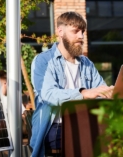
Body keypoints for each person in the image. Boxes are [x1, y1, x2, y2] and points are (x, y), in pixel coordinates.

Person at [30, 11, 114, 157]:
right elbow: (48, 94)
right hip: (55, 127)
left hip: (86, 123)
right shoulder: (43, 61)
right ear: (60, 32)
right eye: (75, 31)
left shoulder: (87, 63)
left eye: (83, 31)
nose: (81, 36)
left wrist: (110, 93)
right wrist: (83, 93)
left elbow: (100, 91)